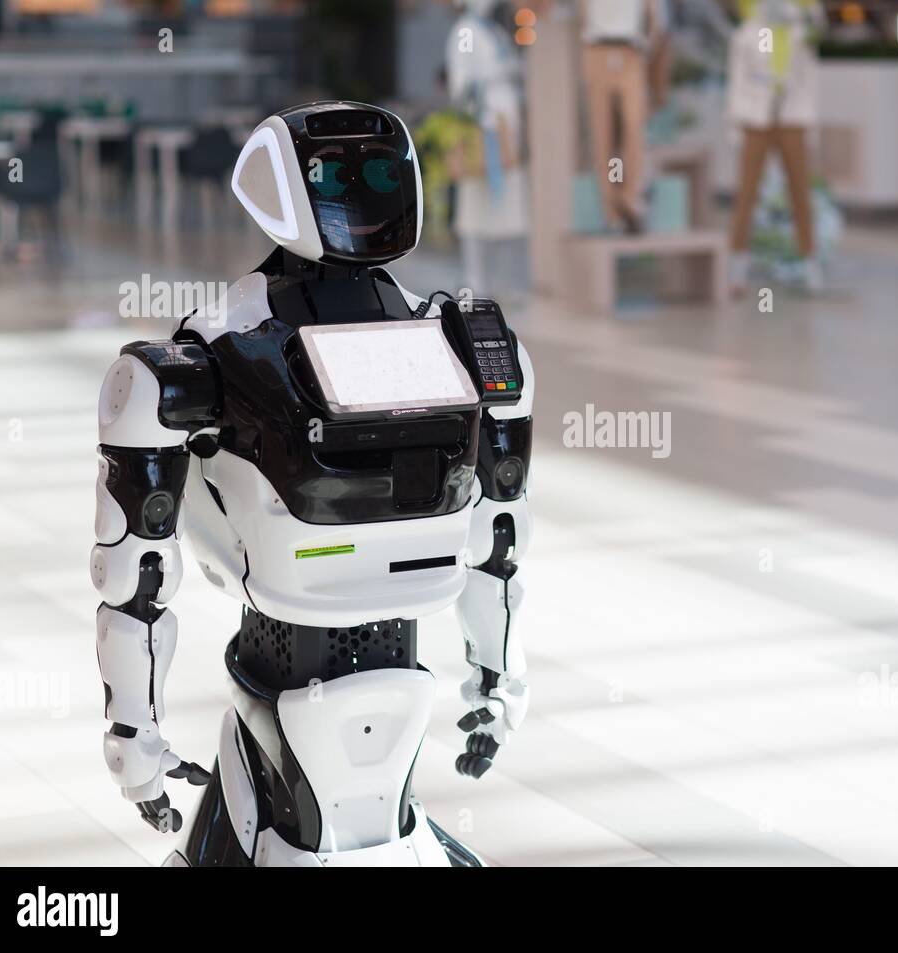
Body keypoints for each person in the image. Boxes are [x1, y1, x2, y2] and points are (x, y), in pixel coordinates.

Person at [91, 101, 535, 866]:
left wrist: (137, 737)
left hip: (335, 640)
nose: (361, 194)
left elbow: (499, 532)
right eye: (336, 175)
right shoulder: (444, 335)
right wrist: (498, 680)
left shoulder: (215, 350)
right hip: (309, 652)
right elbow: (499, 536)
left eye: (375, 172)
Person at [726, 0, 824, 293]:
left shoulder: (801, 31)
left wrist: (804, 16)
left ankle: (809, 262)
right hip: (755, 118)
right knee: (747, 192)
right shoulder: (747, 34)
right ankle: (737, 266)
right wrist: (734, 124)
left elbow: (811, 77)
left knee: (800, 191)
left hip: (792, 116)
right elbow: (737, 82)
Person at [446, 0, 529, 293]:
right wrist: (477, 122)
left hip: (505, 129)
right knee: (475, 209)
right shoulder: (464, 32)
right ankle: (475, 279)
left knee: (507, 210)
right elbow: (461, 86)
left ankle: (506, 281)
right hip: (483, 128)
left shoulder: (493, 30)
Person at [579, 0, 666, 232]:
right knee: (606, 134)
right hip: (598, 47)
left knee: (632, 127)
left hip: (630, 50)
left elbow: (654, 17)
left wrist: (646, 46)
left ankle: (629, 196)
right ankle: (613, 206)